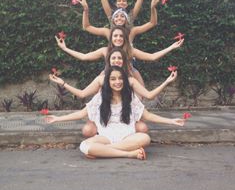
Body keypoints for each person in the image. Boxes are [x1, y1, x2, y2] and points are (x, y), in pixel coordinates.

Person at [46, 66, 185, 160]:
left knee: (145, 138)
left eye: (120, 78)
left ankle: (103, 151)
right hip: (106, 136)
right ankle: (129, 154)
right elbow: (81, 114)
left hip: (127, 136)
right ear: (108, 81)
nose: (117, 82)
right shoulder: (101, 97)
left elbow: (148, 116)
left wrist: (171, 121)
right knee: (84, 145)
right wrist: (57, 119)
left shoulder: (130, 97)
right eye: (113, 79)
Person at [49, 47, 178, 136]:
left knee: (143, 129)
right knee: (87, 131)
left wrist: (166, 81)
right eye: (113, 58)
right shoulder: (101, 79)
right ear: (108, 60)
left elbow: (149, 97)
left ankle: (117, 143)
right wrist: (63, 83)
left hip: (123, 117)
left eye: (119, 58)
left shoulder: (130, 80)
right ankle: (106, 138)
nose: (116, 60)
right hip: (105, 115)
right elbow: (82, 95)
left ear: (124, 61)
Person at [55, 25, 184, 85]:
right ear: (111, 38)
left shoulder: (130, 50)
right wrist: (65, 48)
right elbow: (84, 56)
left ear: (125, 38)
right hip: (109, 78)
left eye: (121, 36)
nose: (118, 38)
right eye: (115, 36)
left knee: (140, 97)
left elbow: (152, 56)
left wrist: (171, 47)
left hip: (128, 78)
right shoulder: (105, 50)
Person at [78, 0, 161, 43]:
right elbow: (87, 27)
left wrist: (152, 8)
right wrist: (85, 9)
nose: (119, 18)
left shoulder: (132, 32)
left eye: (122, 16)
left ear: (127, 19)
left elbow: (152, 23)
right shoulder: (108, 32)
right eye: (116, 16)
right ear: (112, 19)